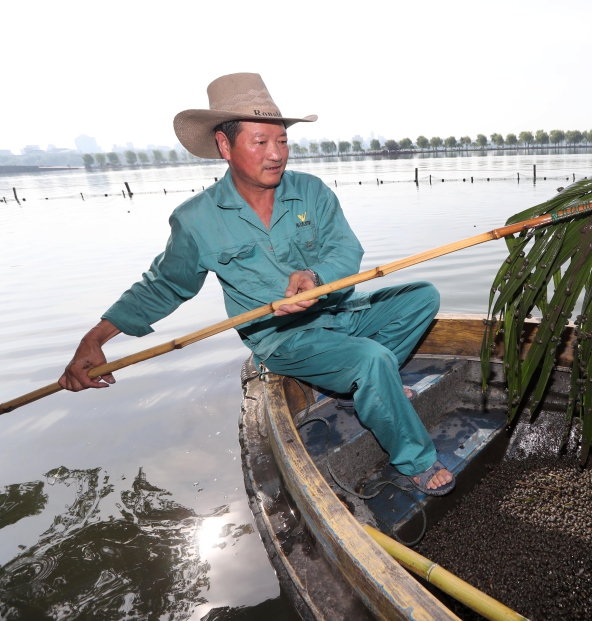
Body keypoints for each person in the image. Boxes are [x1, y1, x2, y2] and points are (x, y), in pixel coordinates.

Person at [59, 73, 454, 495]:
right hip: (286, 339)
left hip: (340, 312)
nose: (276, 154)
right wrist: (96, 337)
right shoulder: (196, 219)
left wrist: (316, 278)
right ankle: (415, 459)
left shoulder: (312, 191)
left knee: (422, 297)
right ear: (224, 145)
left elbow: (344, 250)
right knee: (372, 360)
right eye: (261, 141)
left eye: (282, 140)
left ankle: (359, 388)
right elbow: (163, 285)